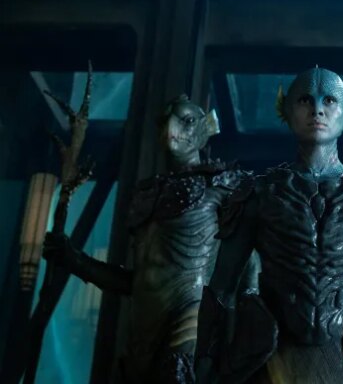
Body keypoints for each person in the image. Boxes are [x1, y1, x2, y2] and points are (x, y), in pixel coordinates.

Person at [195, 68, 343, 384]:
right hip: (268, 359)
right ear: (286, 110)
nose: (317, 109)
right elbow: (222, 287)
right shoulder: (257, 193)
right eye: (305, 100)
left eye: (329, 100)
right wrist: (204, 362)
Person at [44, 95, 257, 383]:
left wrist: (242, 325)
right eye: (165, 121)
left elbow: (249, 263)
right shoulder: (149, 193)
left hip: (189, 323)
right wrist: (74, 260)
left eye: (187, 121)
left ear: (205, 127)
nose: (171, 128)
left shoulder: (222, 186)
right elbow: (137, 282)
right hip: (141, 335)